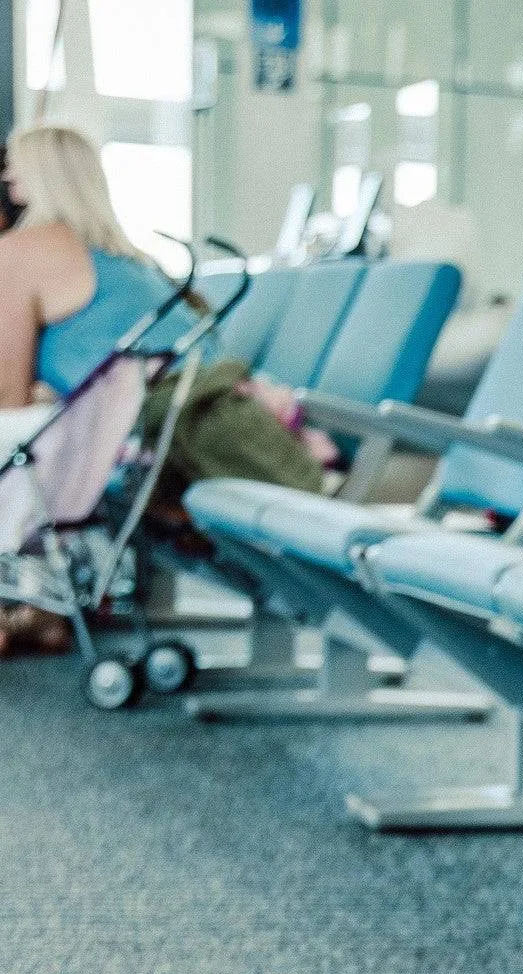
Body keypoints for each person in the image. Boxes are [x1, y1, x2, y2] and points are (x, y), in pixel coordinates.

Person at [0, 124, 330, 658]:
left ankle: (33, 602)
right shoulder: (135, 262)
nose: (5, 171)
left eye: (13, 160)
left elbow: (5, 397)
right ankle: (39, 607)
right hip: (182, 432)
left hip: (135, 441)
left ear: (37, 172)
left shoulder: (22, 251)